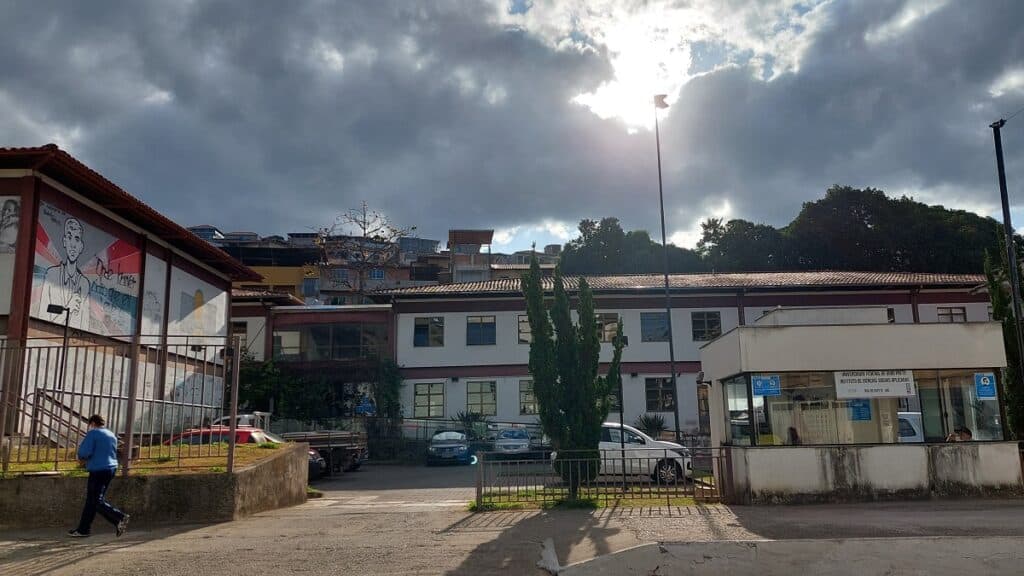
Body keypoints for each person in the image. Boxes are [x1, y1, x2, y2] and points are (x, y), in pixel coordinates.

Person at [68, 414, 130, 538]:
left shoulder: (93, 433)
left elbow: (84, 452)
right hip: (110, 468)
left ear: (92, 423)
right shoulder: (111, 434)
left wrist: (81, 458)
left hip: (98, 469)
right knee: (91, 500)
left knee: (95, 501)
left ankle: (119, 517)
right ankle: (83, 529)